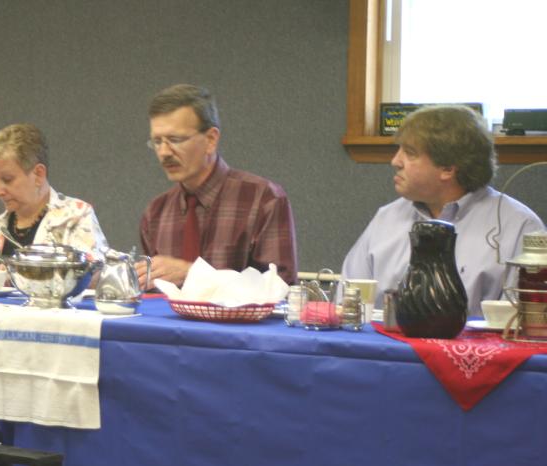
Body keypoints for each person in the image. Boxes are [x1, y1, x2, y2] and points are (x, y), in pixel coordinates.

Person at [341, 105, 544, 316]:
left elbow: (522, 322)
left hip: (475, 339)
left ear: (447, 168)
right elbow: (347, 307)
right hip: (382, 337)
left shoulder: (520, 227)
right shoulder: (386, 219)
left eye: (409, 153)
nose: (395, 161)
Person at [138, 84, 298, 289]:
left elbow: (280, 288)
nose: (164, 152)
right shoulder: (156, 213)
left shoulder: (263, 199)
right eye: (157, 141)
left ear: (211, 139)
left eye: (175, 140)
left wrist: (194, 275)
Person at [0, 123, 108, 270]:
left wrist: (18, 273)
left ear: (38, 174)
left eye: (7, 179)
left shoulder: (77, 217)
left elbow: (94, 273)